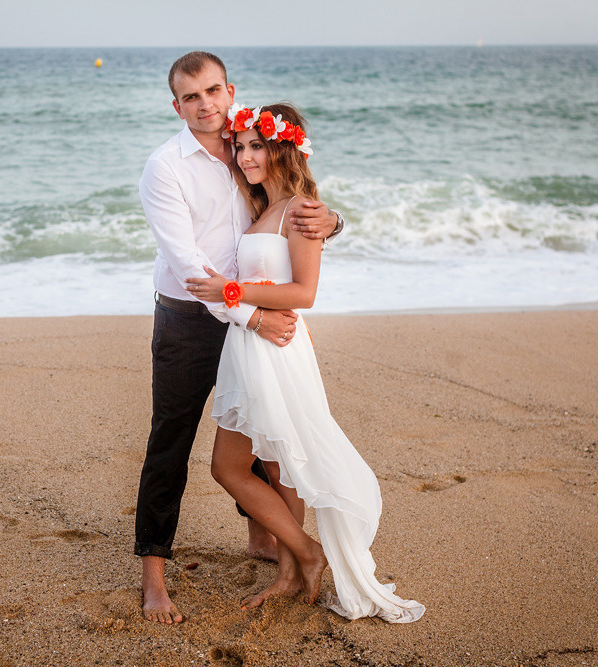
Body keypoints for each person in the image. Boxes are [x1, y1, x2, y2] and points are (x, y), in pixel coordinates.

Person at [185, 103, 425, 623]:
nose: (246, 155)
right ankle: (302, 558)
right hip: (249, 346)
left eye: (257, 145)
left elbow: (304, 292)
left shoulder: (300, 209)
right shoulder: (259, 209)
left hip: (279, 348)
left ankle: (297, 565)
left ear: (281, 147)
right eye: (241, 145)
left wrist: (229, 289)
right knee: (238, 467)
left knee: (274, 465)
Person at [136, 52, 342, 625]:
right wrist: (250, 316)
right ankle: (154, 575)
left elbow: (287, 210)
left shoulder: (247, 147)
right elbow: (188, 265)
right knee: (170, 444)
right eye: (191, 97)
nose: (206, 105)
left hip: (255, 316)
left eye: (213, 91)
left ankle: (267, 543)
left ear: (231, 91)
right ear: (175, 106)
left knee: (263, 438)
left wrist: (332, 221)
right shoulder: (166, 167)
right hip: (190, 318)